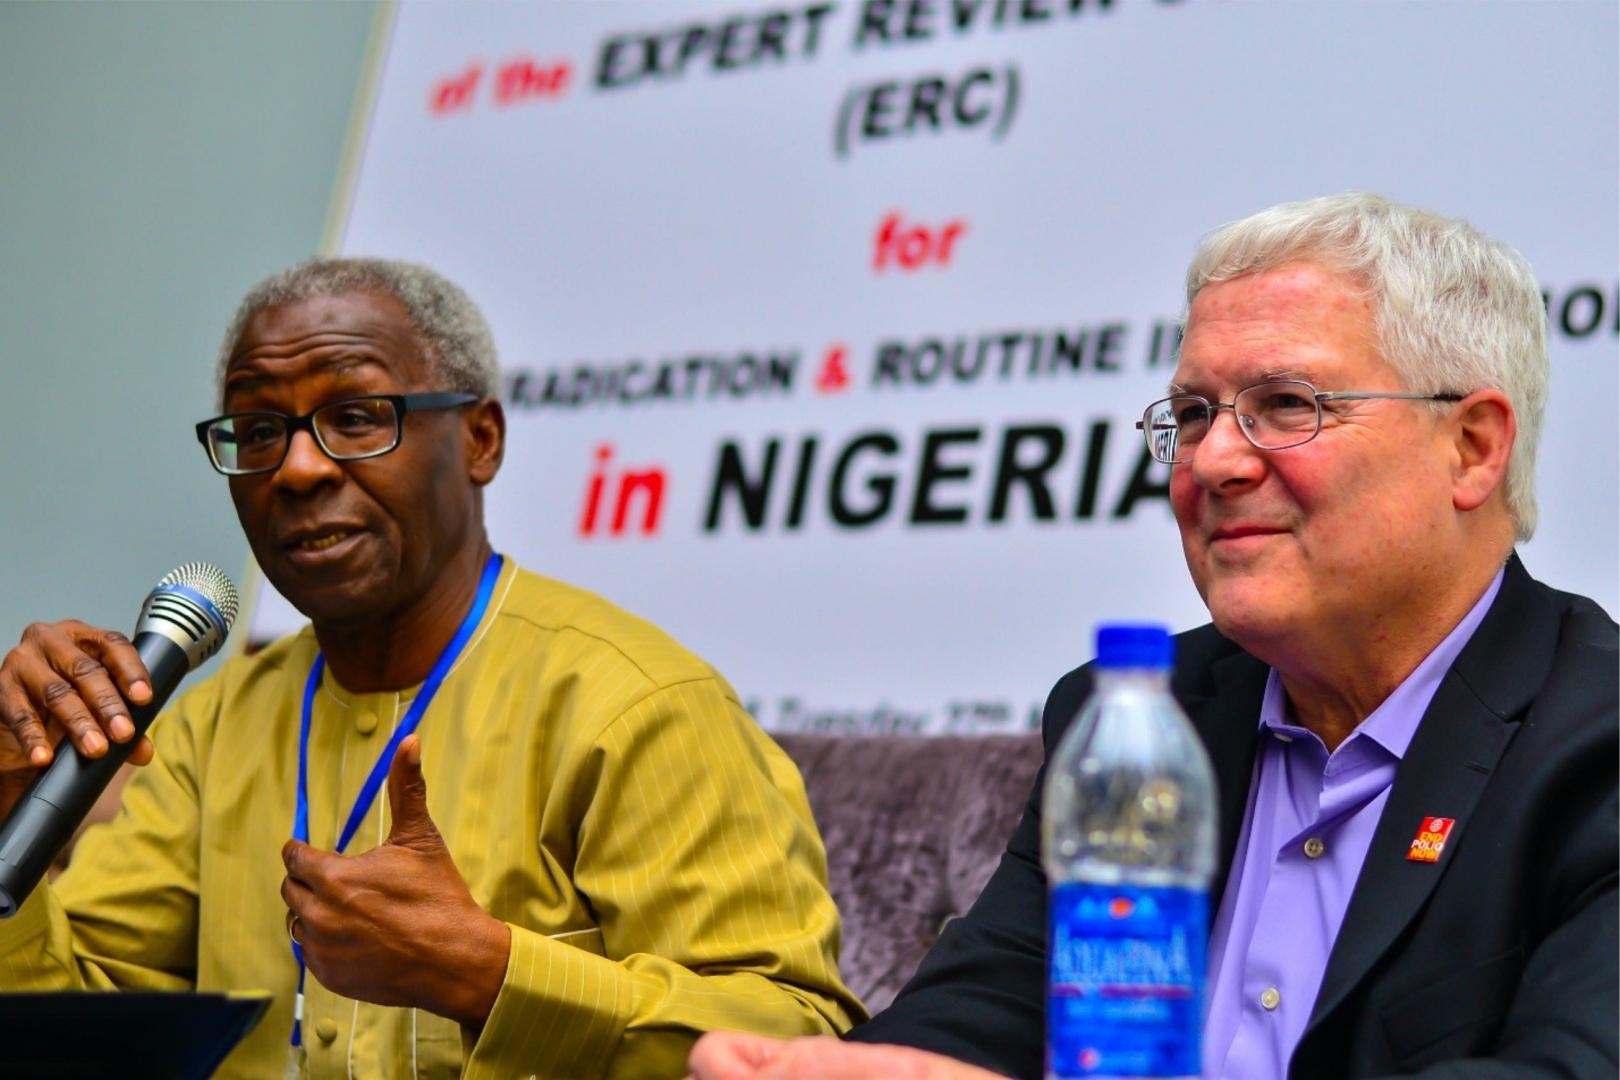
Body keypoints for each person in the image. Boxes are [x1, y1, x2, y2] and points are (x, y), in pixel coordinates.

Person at [689, 193, 1618, 1079]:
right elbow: (996, 1000)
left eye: (1288, 404)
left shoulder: (1593, 739)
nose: (1212, 460)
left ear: (1472, 447)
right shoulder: (1137, 713)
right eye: (1196, 414)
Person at [0, 258, 862, 1077]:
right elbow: (79, 1035)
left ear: (480, 439)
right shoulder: (208, 724)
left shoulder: (636, 703)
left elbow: (795, 1040)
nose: (297, 468)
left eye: (359, 417)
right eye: (260, 431)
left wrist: (491, 974)